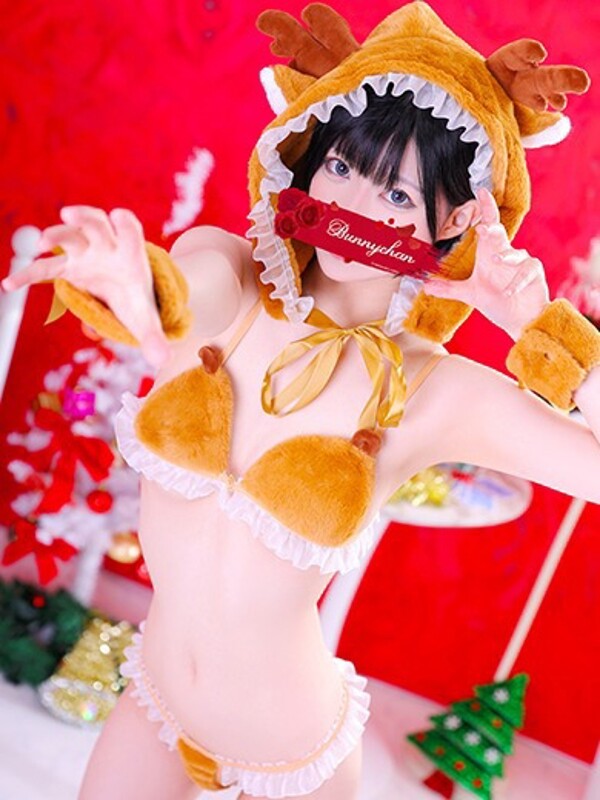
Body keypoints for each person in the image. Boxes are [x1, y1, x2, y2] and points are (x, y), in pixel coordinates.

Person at [1, 3, 597, 799]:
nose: (355, 206)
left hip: (291, 755)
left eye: (396, 194)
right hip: (154, 700)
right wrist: (133, 289)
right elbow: (177, 294)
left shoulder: (434, 391)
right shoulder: (227, 272)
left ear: (453, 220)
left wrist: (536, 325)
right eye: (342, 167)